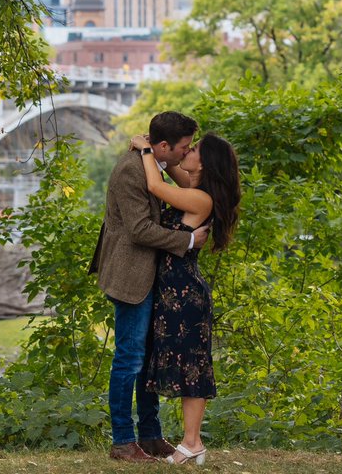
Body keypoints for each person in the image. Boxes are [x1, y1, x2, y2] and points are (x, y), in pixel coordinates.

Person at [89, 111, 209, 463]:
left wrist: (149, 152)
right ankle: (123, 441)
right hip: (130, 277)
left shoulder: (154, 161)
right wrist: (187, 242)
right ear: (163, 146)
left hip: (153, 276)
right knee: (129, 360)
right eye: (183, 148)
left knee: (147, 361)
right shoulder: (131, 170)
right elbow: (139, 230)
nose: (187, 154)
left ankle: (151, 435)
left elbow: (185, 182)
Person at [131, 131, 241, 466]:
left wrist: (147, 149)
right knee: (183, 366)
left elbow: (155, 185)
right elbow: (170, 170)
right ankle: (191, 442)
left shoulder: (201, 200)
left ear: (205, 163)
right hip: (171, 293)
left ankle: (192, 442)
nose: (186, 152)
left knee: (192, 368)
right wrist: (158, 151)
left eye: (193, 150)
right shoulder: (194, 190)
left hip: (185, 295)